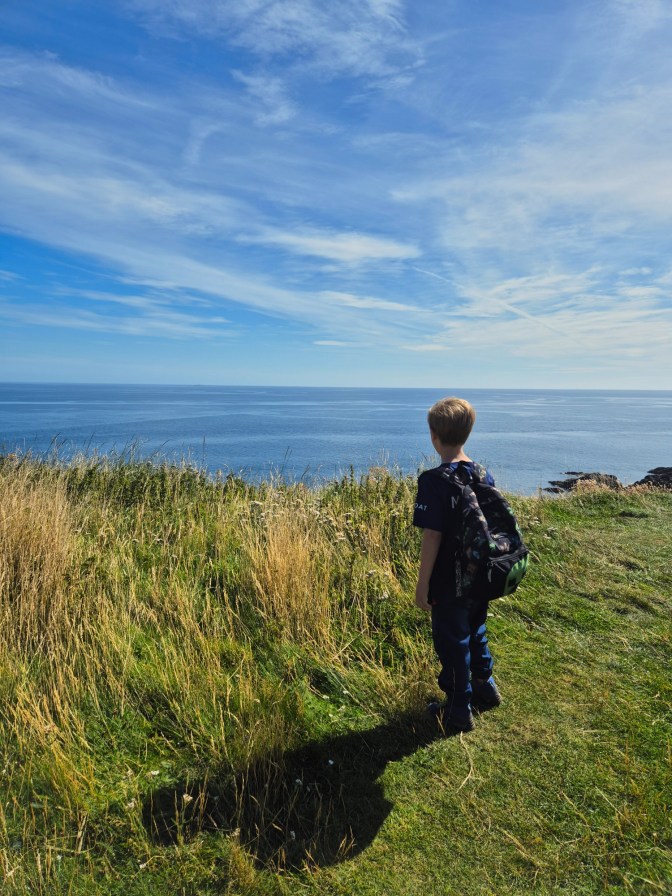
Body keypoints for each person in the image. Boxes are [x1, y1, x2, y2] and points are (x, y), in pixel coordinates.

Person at [413, 396, 502, 732]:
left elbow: (432, 538)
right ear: (467, 433)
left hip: (450, 580)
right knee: (475, 630)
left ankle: (458, 710)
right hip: (481, 572)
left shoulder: (433, 481)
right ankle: (485, 686)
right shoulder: (482, 473)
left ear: (434, 436)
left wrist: (423, 585)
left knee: (452, 641)